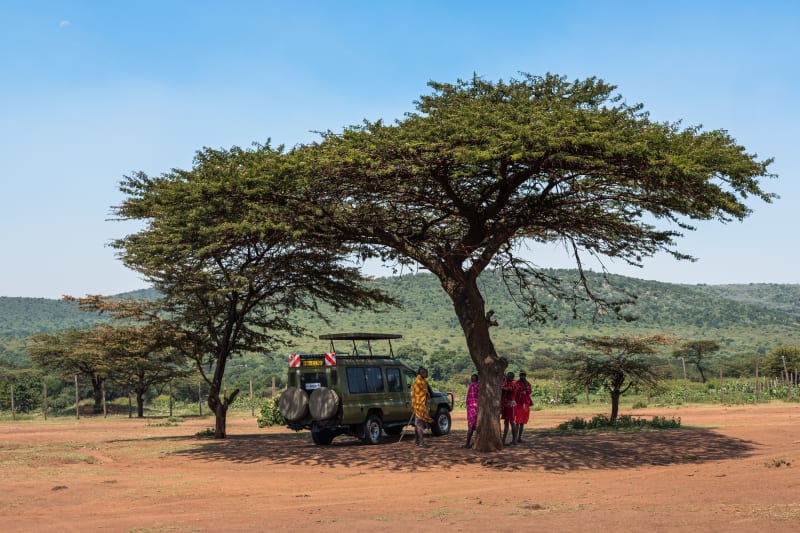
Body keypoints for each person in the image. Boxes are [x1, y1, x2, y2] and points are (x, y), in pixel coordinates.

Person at [411, 367, 433, 447]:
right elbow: (419, 394)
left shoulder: (422, 381)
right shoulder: (419, 381)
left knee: (417, 424)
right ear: (422, 373)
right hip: (419, 405)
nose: (427, 374)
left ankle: (417, 441)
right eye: (426, 372)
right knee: (420, 424)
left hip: (420, 405)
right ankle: (421, 442)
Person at [501, 371, 519, 446]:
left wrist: (501, 387)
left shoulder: (514, 384)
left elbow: (509, 389)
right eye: (508, 376)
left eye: (509, 376)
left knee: (511, 422)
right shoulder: (506, 383)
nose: (508, 377)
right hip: (506, 404)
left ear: (512, 377)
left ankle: (514, 440)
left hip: (511, 404)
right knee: (506, 422)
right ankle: (503, 441)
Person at [514, 372, 533, 443]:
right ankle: (515, 438)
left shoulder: (527, 383)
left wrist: (526, 391)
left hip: (526, 403)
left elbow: (530, 391)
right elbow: (514, 390)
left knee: (523, 421)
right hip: (518, 403)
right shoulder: (516, 383)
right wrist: (521, 392)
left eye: (523, 376)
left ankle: (519, 438)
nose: (522, 377)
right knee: (517, 421)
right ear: (519, 376)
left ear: (525, 376)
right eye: (521, 376)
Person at [464, 374, 479, 449]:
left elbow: (467, 398)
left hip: (470, 408)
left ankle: (467, 443)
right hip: (476, 407)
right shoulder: (478, 385)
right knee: (476, 425)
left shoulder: (471, 386)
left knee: (471, 426)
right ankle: (475, 442)